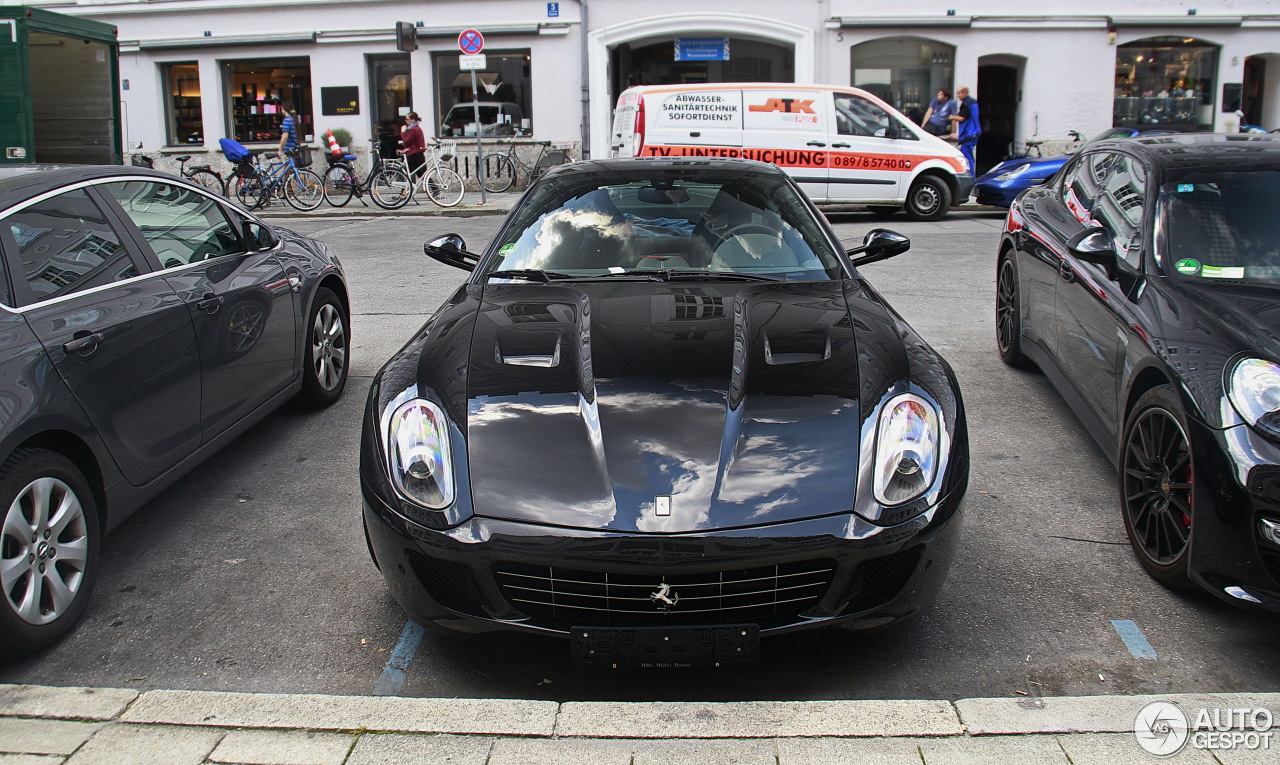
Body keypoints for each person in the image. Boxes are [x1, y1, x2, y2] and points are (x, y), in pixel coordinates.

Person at [950, 86, 982, 172]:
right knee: (968, 155)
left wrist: (951, 117)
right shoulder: (973, 102)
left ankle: (970, 176)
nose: (958, 96)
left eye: (959, 93)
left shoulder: (966, 104)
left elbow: (961, 118)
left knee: (966, 156)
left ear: (964, 92)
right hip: (974, 132)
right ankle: (971, 175)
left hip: (969, 133)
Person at [399, 111, 426, 178]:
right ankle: (434, 188)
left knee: (408, 175)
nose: (406, 121)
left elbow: (406, 141)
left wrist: (402, 132)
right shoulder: (416, 128)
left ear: (412, 119)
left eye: (407, 119)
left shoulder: (413, 129)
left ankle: (406, 188)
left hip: (413, 154)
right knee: (422, 175)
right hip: (418, 153)